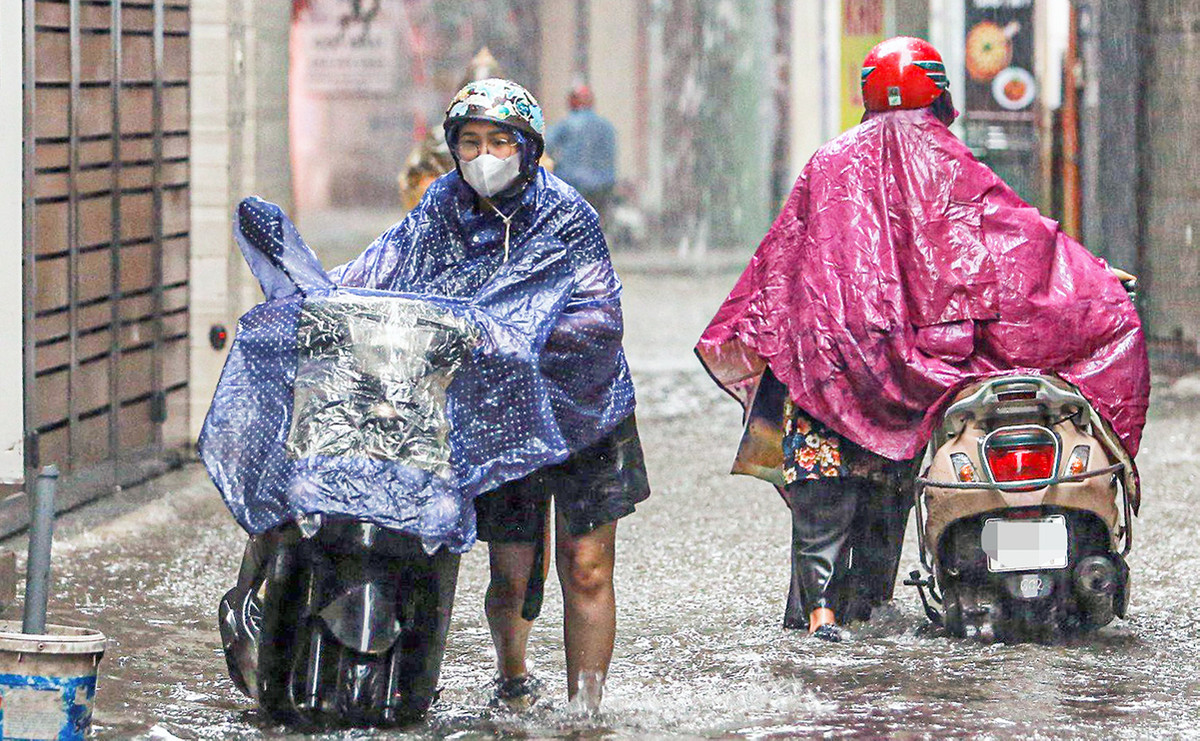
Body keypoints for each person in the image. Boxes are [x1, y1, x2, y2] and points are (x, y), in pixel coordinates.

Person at [695, 37, 1148, 641]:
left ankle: (818, 620)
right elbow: (1019, 247)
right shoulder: (949, 163)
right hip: (910, 389)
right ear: (938, 94)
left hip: (827, 381)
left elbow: (780, 274)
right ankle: (868, 614)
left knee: (821, 515)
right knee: (885, 513)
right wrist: (1094, 281)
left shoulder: (828, 165)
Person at [334, 78, 650, 711]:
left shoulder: (568, 215)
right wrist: (321, 298)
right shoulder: (440, 208)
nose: (484, 156)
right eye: (471, 142)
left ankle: (586, 711)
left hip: (586, 411)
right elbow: (381, 273)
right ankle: (513, 677)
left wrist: (507, 335)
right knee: (510, 573)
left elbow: (600, 318)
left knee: (587, 567)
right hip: (500, 411)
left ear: (526, 147)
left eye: (499, 141)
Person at [544, 84, 617, 226]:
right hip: (603, 187)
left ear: (572, 102)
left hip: (573, 185)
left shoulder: (566, 124)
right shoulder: (606, 126)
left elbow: (546, 146)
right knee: (598, 225)